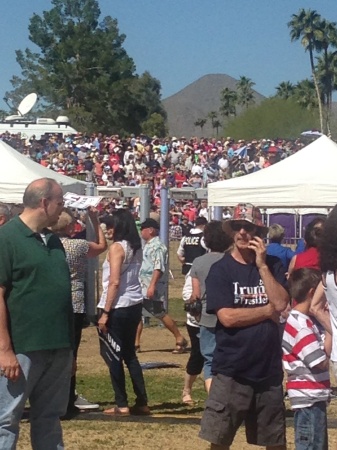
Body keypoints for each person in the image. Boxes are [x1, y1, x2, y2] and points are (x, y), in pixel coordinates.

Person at [199, 203, 289, 450]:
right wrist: (266, 311)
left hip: (268, 370)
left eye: (248, 228)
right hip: (232, 369)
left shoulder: (272, 265)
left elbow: (281, 303)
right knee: (219, 440)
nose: (242, 233)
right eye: (237, 227)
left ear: (259, 232)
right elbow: (227, 317)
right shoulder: (221, 269)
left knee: (275, 441)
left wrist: (261, 266)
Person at [0, 177, 73, 449]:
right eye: (60, 203)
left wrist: (69, 347)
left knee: (50, 417)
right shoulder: (7, 238)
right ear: (44, 203)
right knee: (6, 418)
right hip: (22, 347)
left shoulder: (53, 241)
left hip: (57, 345)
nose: (62, 209)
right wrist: (4, 349)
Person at [51, 207, 107, 412]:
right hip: (75, 302)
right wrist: (94, 219)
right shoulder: (78, 246)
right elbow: (102, 246)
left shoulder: (46, 244)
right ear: (69, 227)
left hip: (53, 302)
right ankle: (67, 398)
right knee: (71, 353)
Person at [97, 210, 149, 416]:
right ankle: (142, 400)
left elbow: (114, 281)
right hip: (134, 303)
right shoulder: (136, 247)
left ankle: (122, 403)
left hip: (118, 305)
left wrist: (105, 312)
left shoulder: (117, 248)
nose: (108, 230)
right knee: (130, 355)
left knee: (113, 355)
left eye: (111, 226)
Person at [282, 268, 331, 450]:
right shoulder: (301, 326)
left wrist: (326, 325)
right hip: (308, 399)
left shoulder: (304, 322)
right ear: (313, 292)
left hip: (313, 398)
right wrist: (328, 326)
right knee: (312, 445)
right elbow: (320, 362)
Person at [137, 218, 188, 353]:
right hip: (143, 285)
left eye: (143, 229)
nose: (141, 232)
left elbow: (158, 267)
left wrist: (152, 285)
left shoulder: (157, 246)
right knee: (137, 313)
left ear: (151, 230)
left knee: (158, 312)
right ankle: (135, 343)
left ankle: (179, 337)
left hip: (150, 285)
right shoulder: (148, 245)